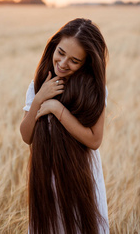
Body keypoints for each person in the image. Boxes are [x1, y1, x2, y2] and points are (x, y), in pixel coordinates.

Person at [20, 18, 109, 234]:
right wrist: (40, 98)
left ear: (86, 63)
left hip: (81, 177)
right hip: (46, 176)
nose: (63, 63)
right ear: (53, 45)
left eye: (74, 61)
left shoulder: (94, 91)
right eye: (60, 52)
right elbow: (26, 135)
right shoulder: (38, 85)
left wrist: (57, 109)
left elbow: (94, 140)